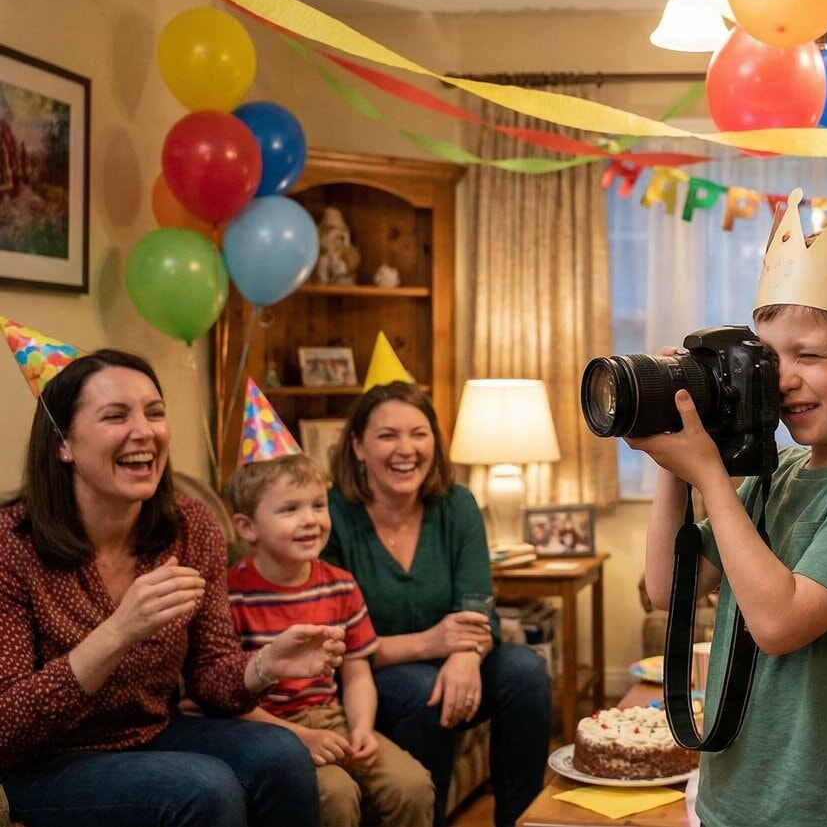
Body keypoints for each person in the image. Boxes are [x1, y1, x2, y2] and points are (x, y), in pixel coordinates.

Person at [628, 189, 827, 826]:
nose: (783, 380)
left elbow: (779, 623)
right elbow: (666, 588)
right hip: (730, 798)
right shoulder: (780, 472)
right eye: (769, 359)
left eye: (811, 355)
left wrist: (709, 474)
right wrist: (675, 456)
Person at [0, 347, 345, 827]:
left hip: (153, 732)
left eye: (155, 412)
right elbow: (7, 725)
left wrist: (265, 665)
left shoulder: (189, 525)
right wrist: (117, 632)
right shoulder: (11, 545)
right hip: (43, 761)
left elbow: (210, 676)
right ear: (63, 443)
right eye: (115, 415)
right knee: (202, 789)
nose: (144, 431)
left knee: (281, 754)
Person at [323, 380, 551, 827]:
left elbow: (476, 603)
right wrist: (430, 644)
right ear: (357, 447)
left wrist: (465, 654)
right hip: (369, 676)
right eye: (387, 435)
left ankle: (520, 820)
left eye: (418, 433)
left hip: (452, 657)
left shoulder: (457, 503)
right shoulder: (330, 516)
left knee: (526, 672)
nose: (405, 449)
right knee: (423, 691)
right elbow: (337, 643)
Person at [226, 443, 434, 827]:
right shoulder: (231, 595)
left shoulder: (341, 585)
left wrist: (361, 730)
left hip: (334, 719)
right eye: (290, 509)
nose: (311, 520)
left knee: (412, 785)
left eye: (318, 505)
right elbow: (221, 699)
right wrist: (298, 735)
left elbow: (356, 674)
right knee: (335, 794)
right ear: (246, 526)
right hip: (267, 729)